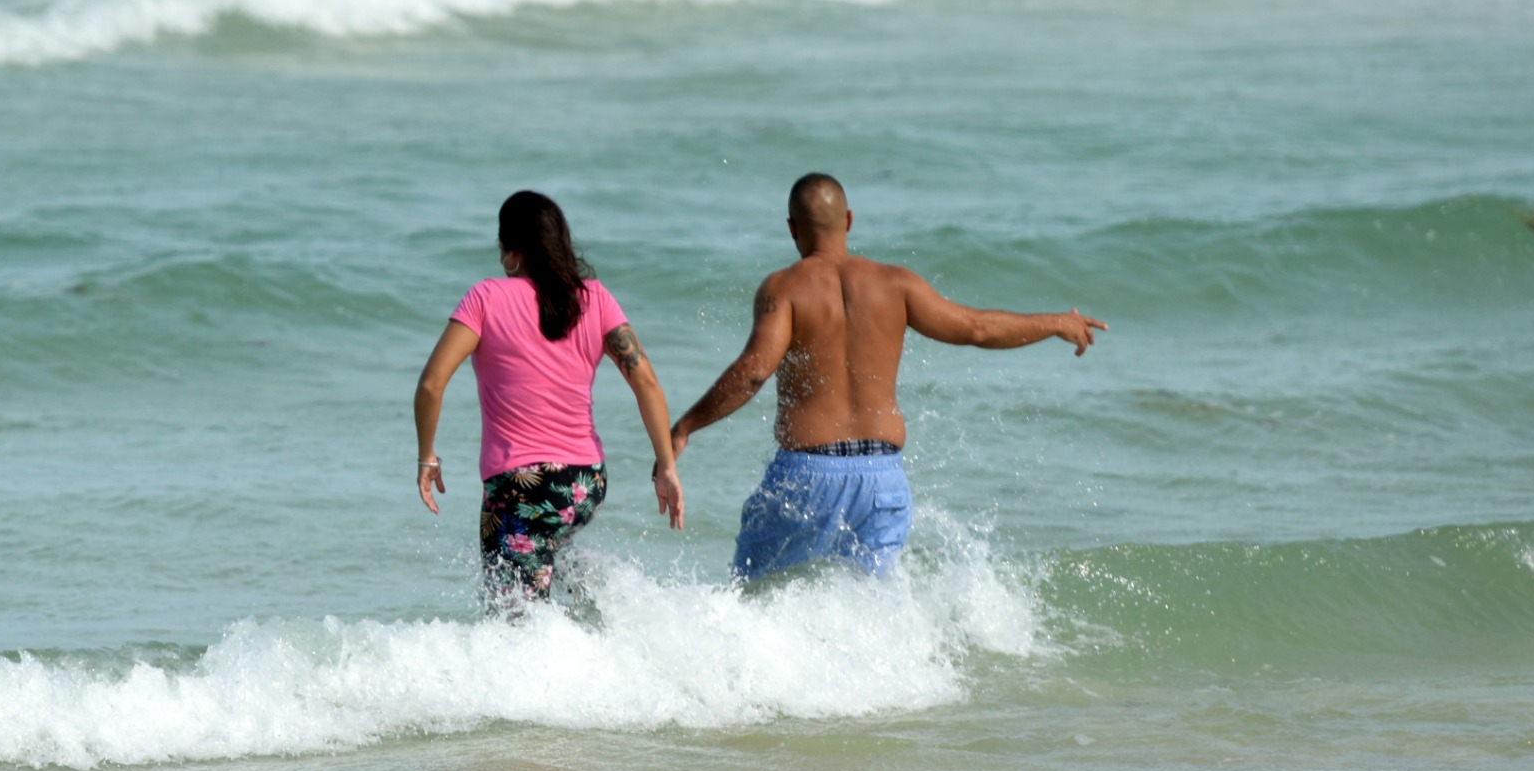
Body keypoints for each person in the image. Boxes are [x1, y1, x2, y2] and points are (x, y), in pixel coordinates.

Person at [669, 173, 1102, 581]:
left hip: (806, 478)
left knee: (756, 597)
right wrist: (1054, 323)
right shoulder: (897, 284)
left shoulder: (783, 288)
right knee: (872, 613)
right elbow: (977, 328)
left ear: (791, 228)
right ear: (850, 220)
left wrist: (685, 426)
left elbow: (753, 373)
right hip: (883, 481)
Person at [414, 191, 686, 605]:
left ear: (511, 251)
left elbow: (432, 383)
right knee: (549, 552)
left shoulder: (486, 298)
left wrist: (427, 456)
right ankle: (614, 618)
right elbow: (646, 382)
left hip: (522, 488)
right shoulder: (595, 298)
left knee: (512, 626)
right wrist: (666, 465)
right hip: (585, 483)